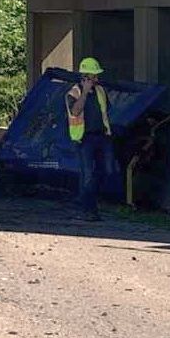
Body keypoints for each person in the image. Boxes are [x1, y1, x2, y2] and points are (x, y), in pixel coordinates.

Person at [65, 57, 112, 221]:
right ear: (85, 77)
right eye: (94, 77)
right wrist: (85, 92)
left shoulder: (100, 91)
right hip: (83, 139)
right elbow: (75, 112)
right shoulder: (74, 93)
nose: (97, 79)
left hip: (102, 136)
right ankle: (87, 209)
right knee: (87, 175)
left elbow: (106, 112)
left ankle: (93, 204)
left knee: (105, 170)